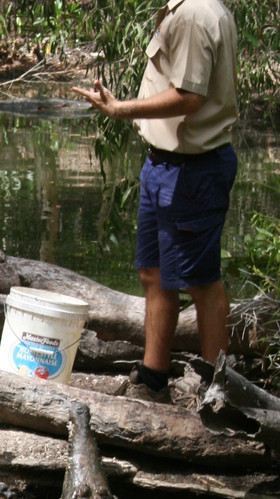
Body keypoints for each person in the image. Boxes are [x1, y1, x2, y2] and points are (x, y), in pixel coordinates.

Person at [73, 0, 238, 403]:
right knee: (153, 273)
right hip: (163, 165)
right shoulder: (181, 10)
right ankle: (153, 380)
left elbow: (188, 97)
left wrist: (120, 109)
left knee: (202, 283)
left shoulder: (194, 15)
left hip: (192, 170)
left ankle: (221, 392)